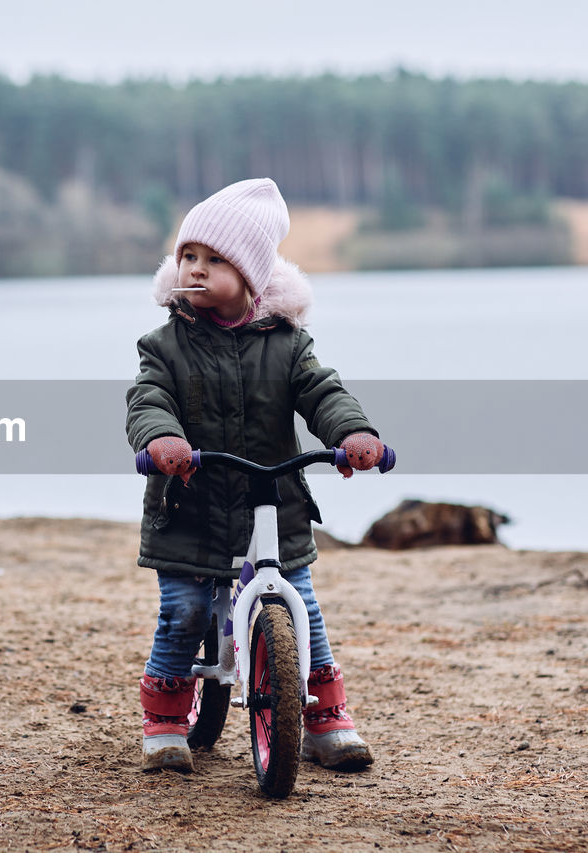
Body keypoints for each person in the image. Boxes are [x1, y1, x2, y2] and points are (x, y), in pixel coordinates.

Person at [125, 178, 385, 774]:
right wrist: (162, 440)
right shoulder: (165, 344)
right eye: (188, 255)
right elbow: (148, 398)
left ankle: (324, 718)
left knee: (304, 611)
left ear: (249, 275)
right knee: (184, 611)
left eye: (214, 260)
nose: (195, 269)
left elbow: (322, 393)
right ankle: (165, 720)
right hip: (189, 507)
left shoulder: (288, 345)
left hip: (275, 504)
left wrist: (352, 436)